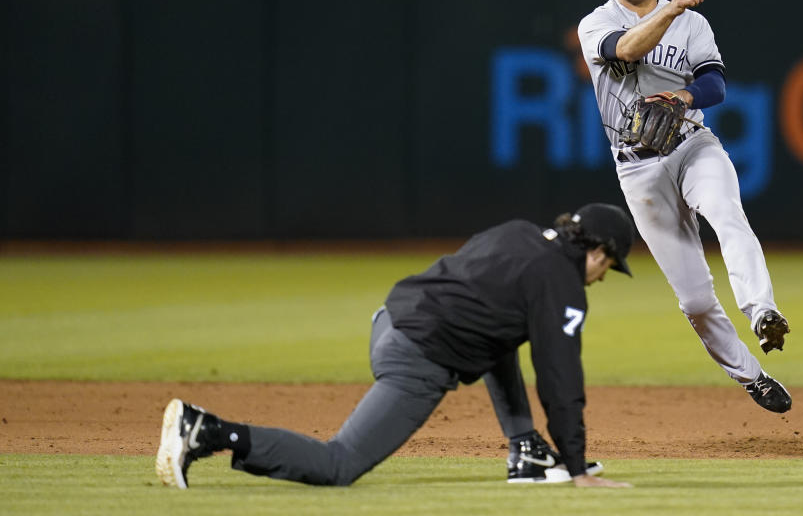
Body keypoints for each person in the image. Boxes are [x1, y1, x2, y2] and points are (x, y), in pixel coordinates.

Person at [155, 203, 635, 490]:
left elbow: (493, 327)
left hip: (390, 321)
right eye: (607, 267)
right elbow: (559, 378)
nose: (601, 277)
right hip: (419, 356)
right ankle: (209, 431)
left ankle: (525, 451)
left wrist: (525, 434)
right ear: (597, 252)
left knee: (500, 333)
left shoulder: (517, 234)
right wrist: (577, 468)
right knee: (338, 464)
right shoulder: (561, 283)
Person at [572, 0, 792, 414]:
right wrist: (672, 8)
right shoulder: (595, 23)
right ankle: (752, 377)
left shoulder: (693, 26)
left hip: (693, 145)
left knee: (725, 211)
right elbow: (626, 50)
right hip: (637, 170)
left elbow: (714, 84)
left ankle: (763, 311)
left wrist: (683, 95)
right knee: (694, 300)